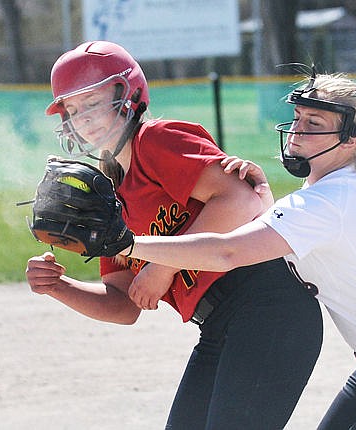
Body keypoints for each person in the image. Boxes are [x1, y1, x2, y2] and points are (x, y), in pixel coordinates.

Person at [122, 70, 356, 429]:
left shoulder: (330, 201)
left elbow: (226, 252)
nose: (297, 130)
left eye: (314, 122)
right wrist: (262, 196)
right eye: (297, 118)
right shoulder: (347, 186)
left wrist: (128, 244)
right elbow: (296, 230)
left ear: (351, 141)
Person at [25, 41, 323, 429]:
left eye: (93, 101)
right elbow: (124, 302)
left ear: (128, 93)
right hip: (218, 325)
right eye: (73, 109)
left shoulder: (156, 141)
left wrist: (162, 266)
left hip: (267, 306)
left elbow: (240, 198)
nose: (84, 117)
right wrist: (60, 287)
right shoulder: (108, 193)